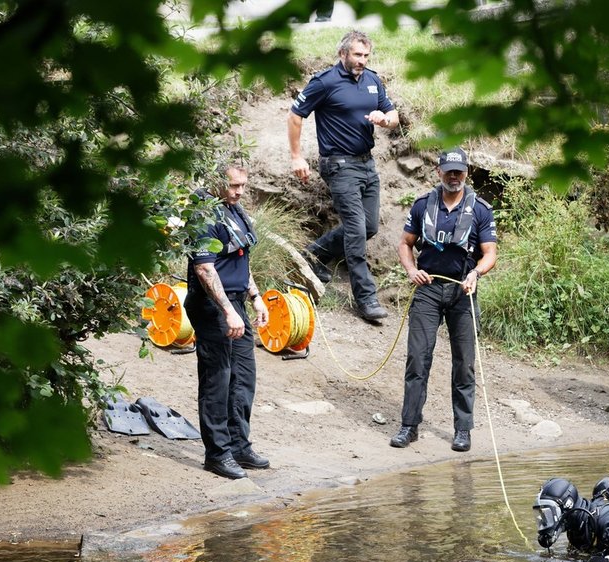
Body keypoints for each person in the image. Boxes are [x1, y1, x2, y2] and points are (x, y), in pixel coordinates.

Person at [390, 147, 498, 453]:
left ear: (466, 173)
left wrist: (476, 273)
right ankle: (409, 426)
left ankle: (462, 429)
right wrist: (411, 270)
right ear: (439, 172)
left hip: (463, 291)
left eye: (459, 171)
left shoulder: (480, 209)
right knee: (417, 358)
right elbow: (405, 243)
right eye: (449, 171)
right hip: (427, 290)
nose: (454, 176)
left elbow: (490, 253)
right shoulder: (423, 205)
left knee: (464, 363)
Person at [287, 29, 400, 323]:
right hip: (338, 164)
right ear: (343, 54)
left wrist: (385, 119)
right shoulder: (324, 82)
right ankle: (365, 298)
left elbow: (393, 114)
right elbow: (295, 115)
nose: (362, 60)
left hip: (367, 163)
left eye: (366, 55)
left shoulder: (373, 80)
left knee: (370, 226)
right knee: (355, 229)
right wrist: (297, 156)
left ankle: (311, 255)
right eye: (357, 55)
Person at [184, 163, 271, 480]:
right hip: (212, 304)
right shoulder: (203, 214)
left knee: (243, 377)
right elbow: (205, 269)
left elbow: (239, 257)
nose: (240, 191)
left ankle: (239, 446)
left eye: (243, 185)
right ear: (217, 182)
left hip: (236, 301)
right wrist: (227, 310)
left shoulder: (233, 209)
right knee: (217, 379)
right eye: (234, 185)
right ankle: (218, 454)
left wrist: (255, 296)